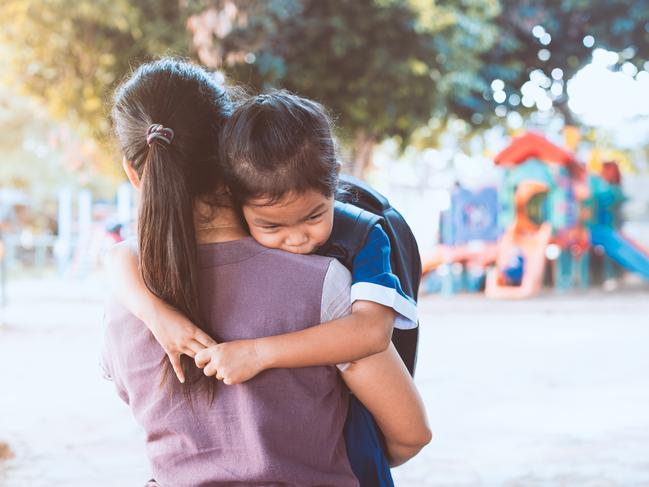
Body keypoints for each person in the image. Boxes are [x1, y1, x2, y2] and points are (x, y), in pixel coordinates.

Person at [103, 58, 431, 486]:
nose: (297, 239)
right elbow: (411, 434)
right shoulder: (324, 284)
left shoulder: (125, 300)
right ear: (229, 158)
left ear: (134, 173)